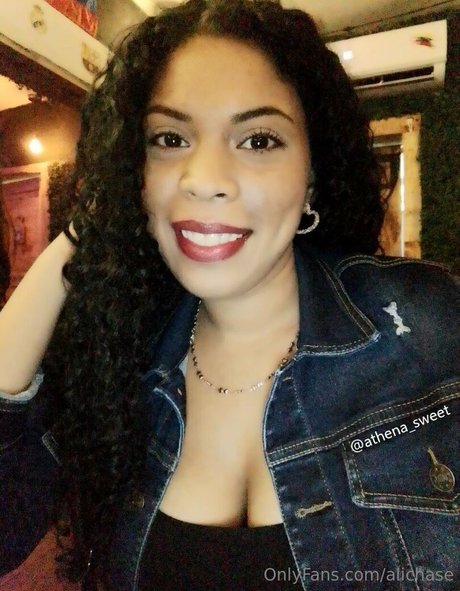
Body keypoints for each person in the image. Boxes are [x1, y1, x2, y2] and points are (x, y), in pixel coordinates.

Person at [0, 1, 458, 590]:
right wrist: (86, 231)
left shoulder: (429, 323)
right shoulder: (122, 358)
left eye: (259, 140)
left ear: (311, 173)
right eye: (170, 138)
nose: (204, 179)